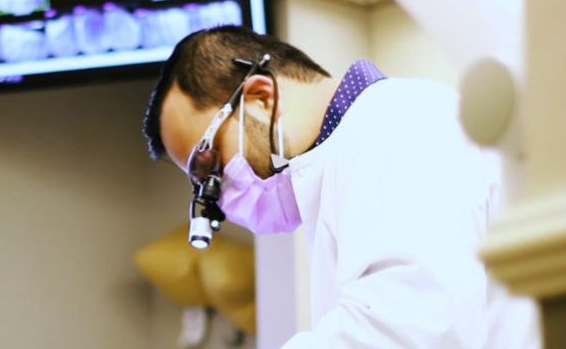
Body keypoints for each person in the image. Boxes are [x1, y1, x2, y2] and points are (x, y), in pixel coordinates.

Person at [143, 25, 539, 348]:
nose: (220, 199)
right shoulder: (354, 155)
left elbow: (413, 334)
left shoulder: (397, 127)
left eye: (210, 164)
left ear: (261, 97)